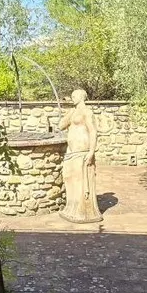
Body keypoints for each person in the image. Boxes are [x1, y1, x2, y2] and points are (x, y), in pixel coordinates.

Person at [59, 89, 103, 223]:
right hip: (72, 152)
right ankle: (71, 208)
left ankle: (83, 212)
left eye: (74, 95)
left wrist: (91, 152)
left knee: (81, 183)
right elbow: (61, 126)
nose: (72, 97)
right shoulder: (73, 112)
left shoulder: (87, 112)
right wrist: (69, 113)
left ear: (82, 96)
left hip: (83, 151)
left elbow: (93, 132)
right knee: (68, 177)